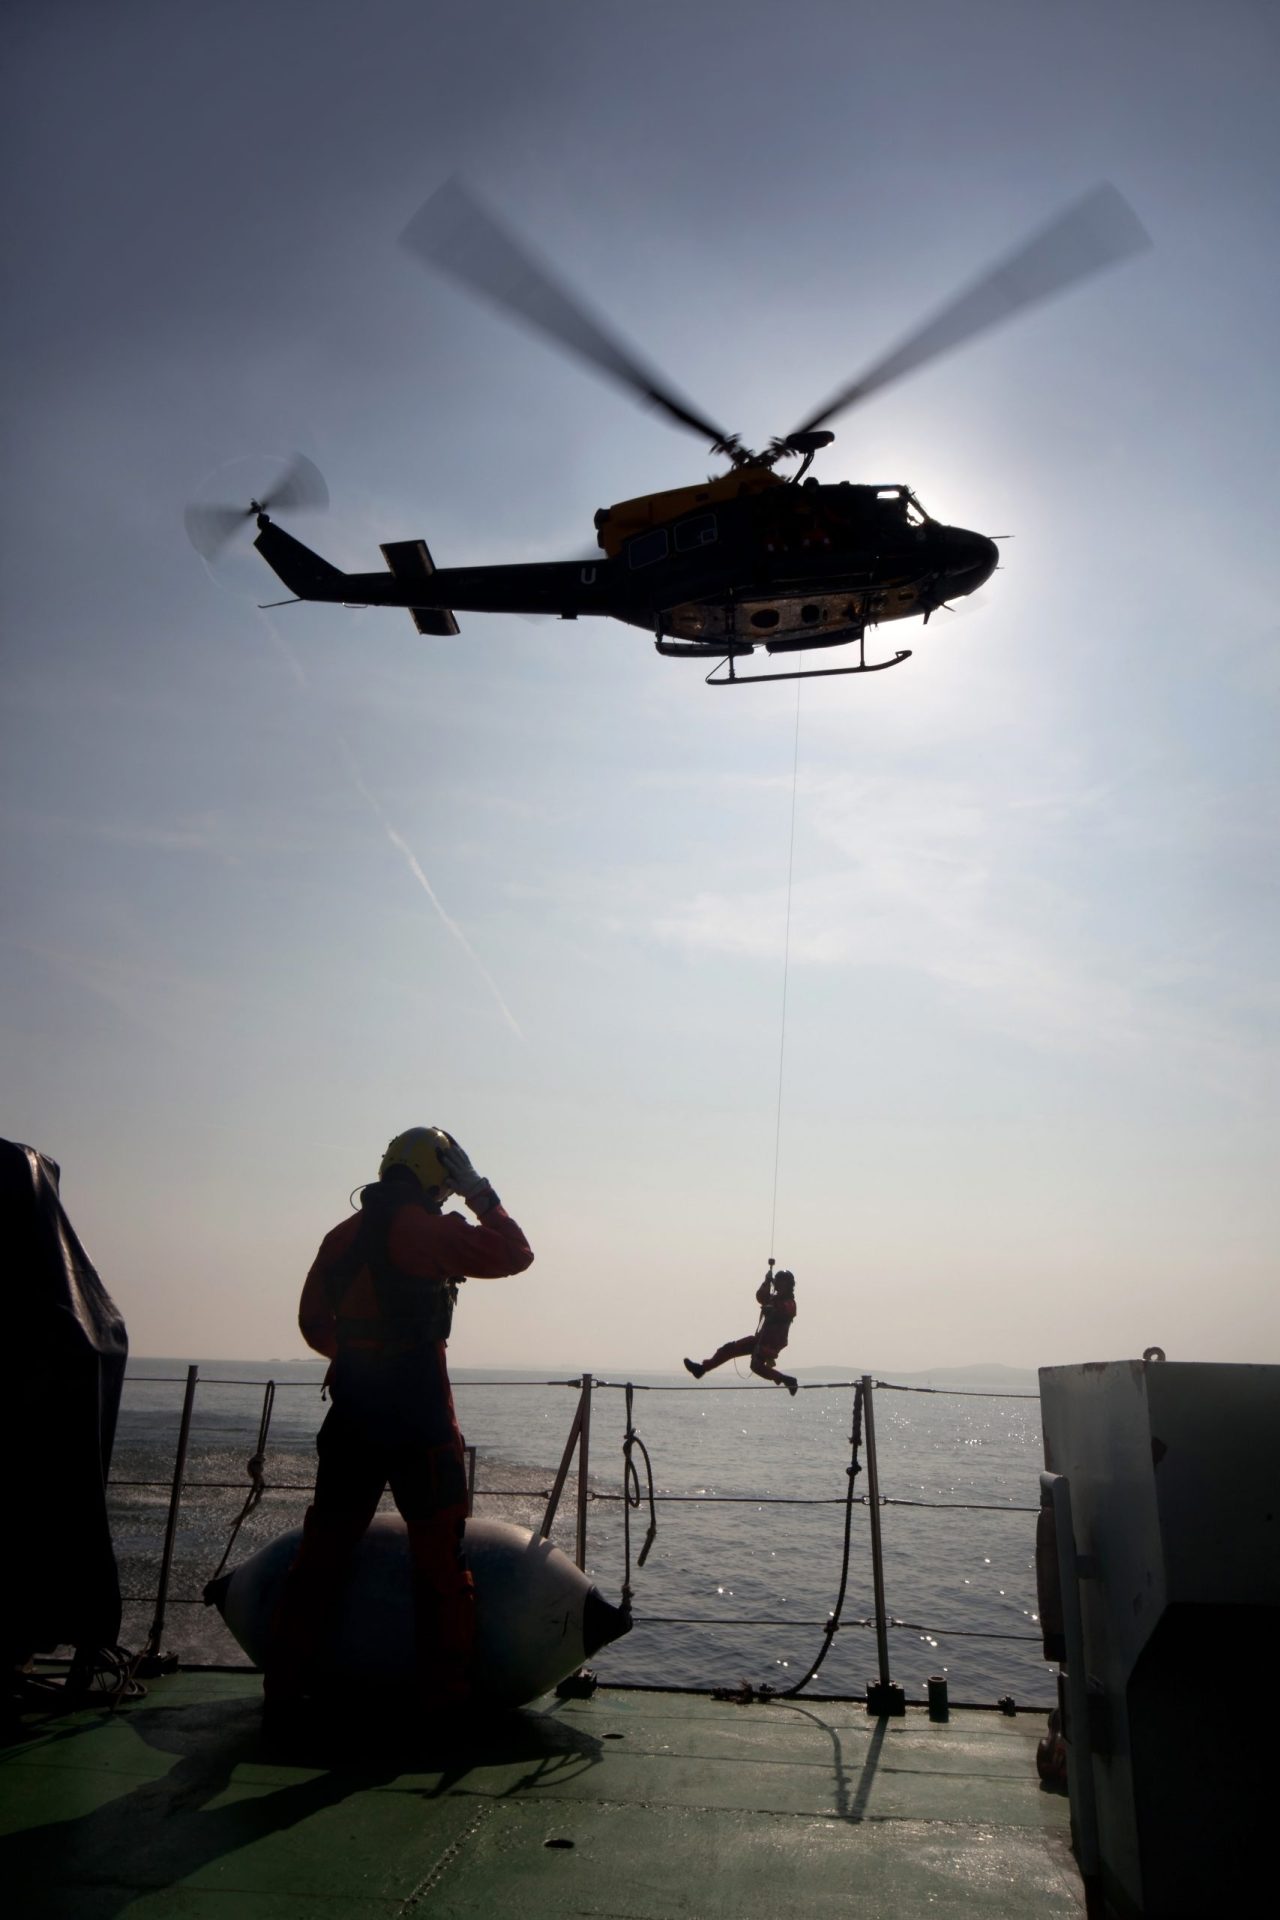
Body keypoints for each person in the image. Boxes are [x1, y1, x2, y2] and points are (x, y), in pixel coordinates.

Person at [265, 1126, 533, 1719]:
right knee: (441, 1563)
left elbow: (312, 1322)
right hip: (420, 1418)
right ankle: (444, 1702)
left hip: (353, 1414)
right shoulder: (433, 1232)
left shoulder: (338, 1239)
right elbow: (517, 1254)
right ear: (438, 1174)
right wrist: (482, 1195)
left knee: (321, 1555)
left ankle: (283, 1690)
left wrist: (355, 1355)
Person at [684, 1263, 798, 1395]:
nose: (777, 1284)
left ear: (787, 1285)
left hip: (771, 1343)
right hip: (760, 1339)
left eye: (779, 1282)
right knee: (730, 1349)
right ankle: (702, 1369)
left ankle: (787, 1380)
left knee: (756, 1366)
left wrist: (772, 1312)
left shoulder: (789, 1302)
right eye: (776, 1281)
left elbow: (784, 1315)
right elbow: (760, 1297)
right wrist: (766, 1281)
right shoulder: (774, 1299)